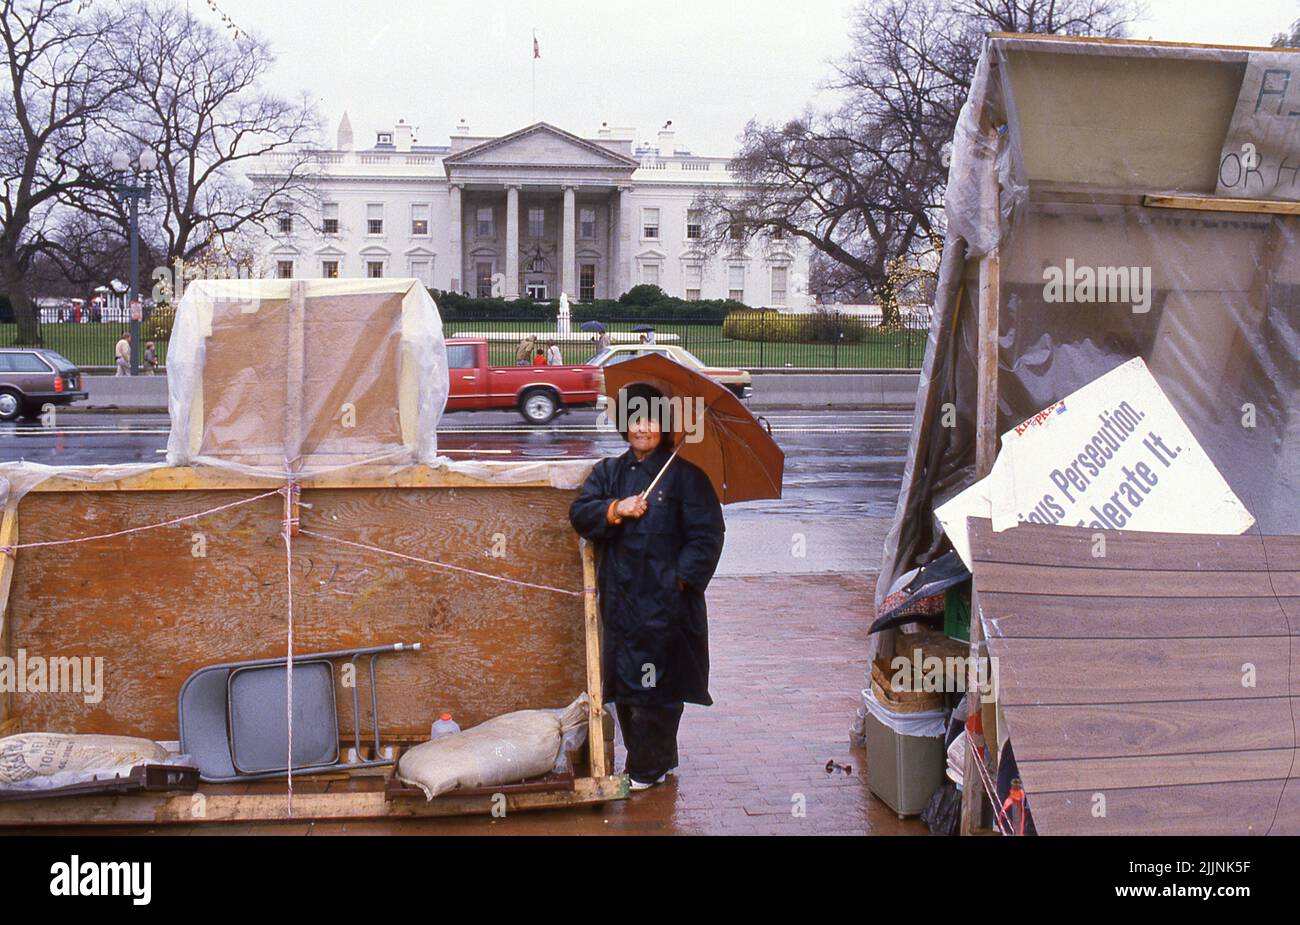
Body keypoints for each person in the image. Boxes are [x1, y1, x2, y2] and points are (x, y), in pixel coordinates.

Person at [568, 383, 725, 790]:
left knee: (657, 687)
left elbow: (707, 535)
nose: (643, 429)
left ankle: (646, 769)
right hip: (620, 603)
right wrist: (616, 508)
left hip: (665, 606)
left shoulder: (686, 478)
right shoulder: (609, 473)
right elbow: (582, 514)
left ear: (665, 426)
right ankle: (658, 759)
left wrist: (679, 581)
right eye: (635, 419)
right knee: (626, 685)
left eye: (652, 419)